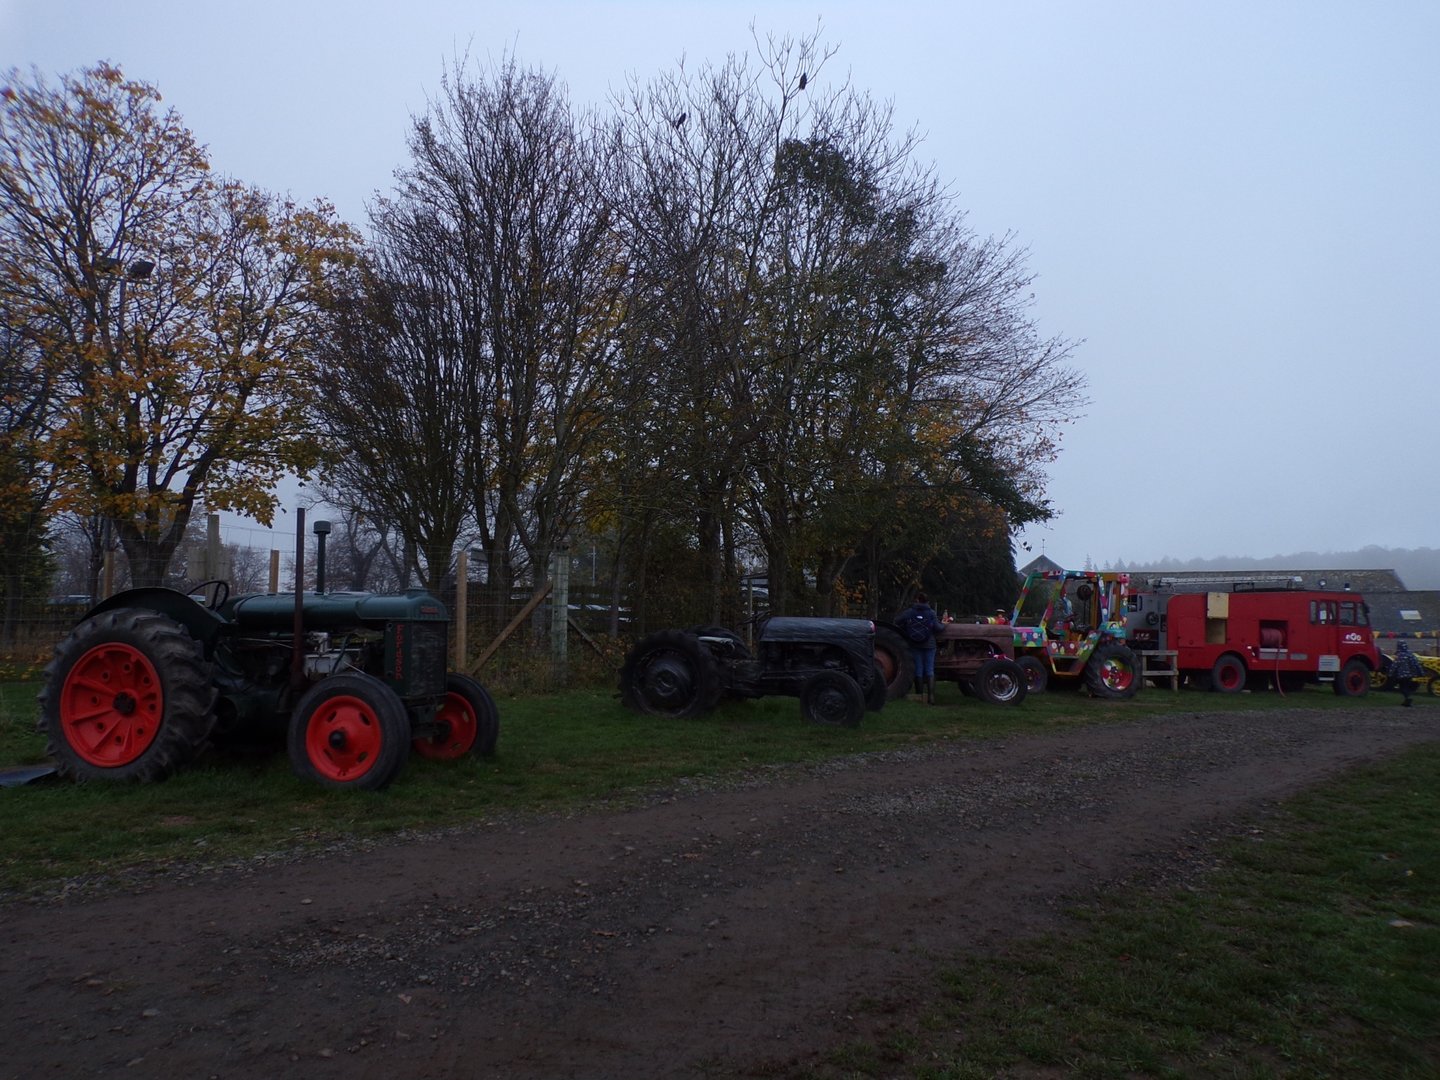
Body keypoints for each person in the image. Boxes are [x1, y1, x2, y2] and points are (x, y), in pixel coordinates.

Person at [896, 591, 943, 704]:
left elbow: (897, 621)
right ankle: (931, 697)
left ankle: (920, 696)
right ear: (927, 601)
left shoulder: (910, 612)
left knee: (918, 670)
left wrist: (906, 629)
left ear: (917, 600)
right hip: (930, 644)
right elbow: (938, 628)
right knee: (929, 669)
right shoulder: (931, 613)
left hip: (915, 644)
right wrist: (944, 625)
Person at [1392, 641, 1423, 707]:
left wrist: (1390, 673)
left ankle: (1408, 698)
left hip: (1401, 675)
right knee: (1407, 686)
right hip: (1410, 675)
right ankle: (1407, 700)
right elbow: (1417, 664)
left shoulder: (1399, 656)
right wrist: (1420, 672)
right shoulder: (1411, 655)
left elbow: (1395, 665)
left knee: (1402, 688)